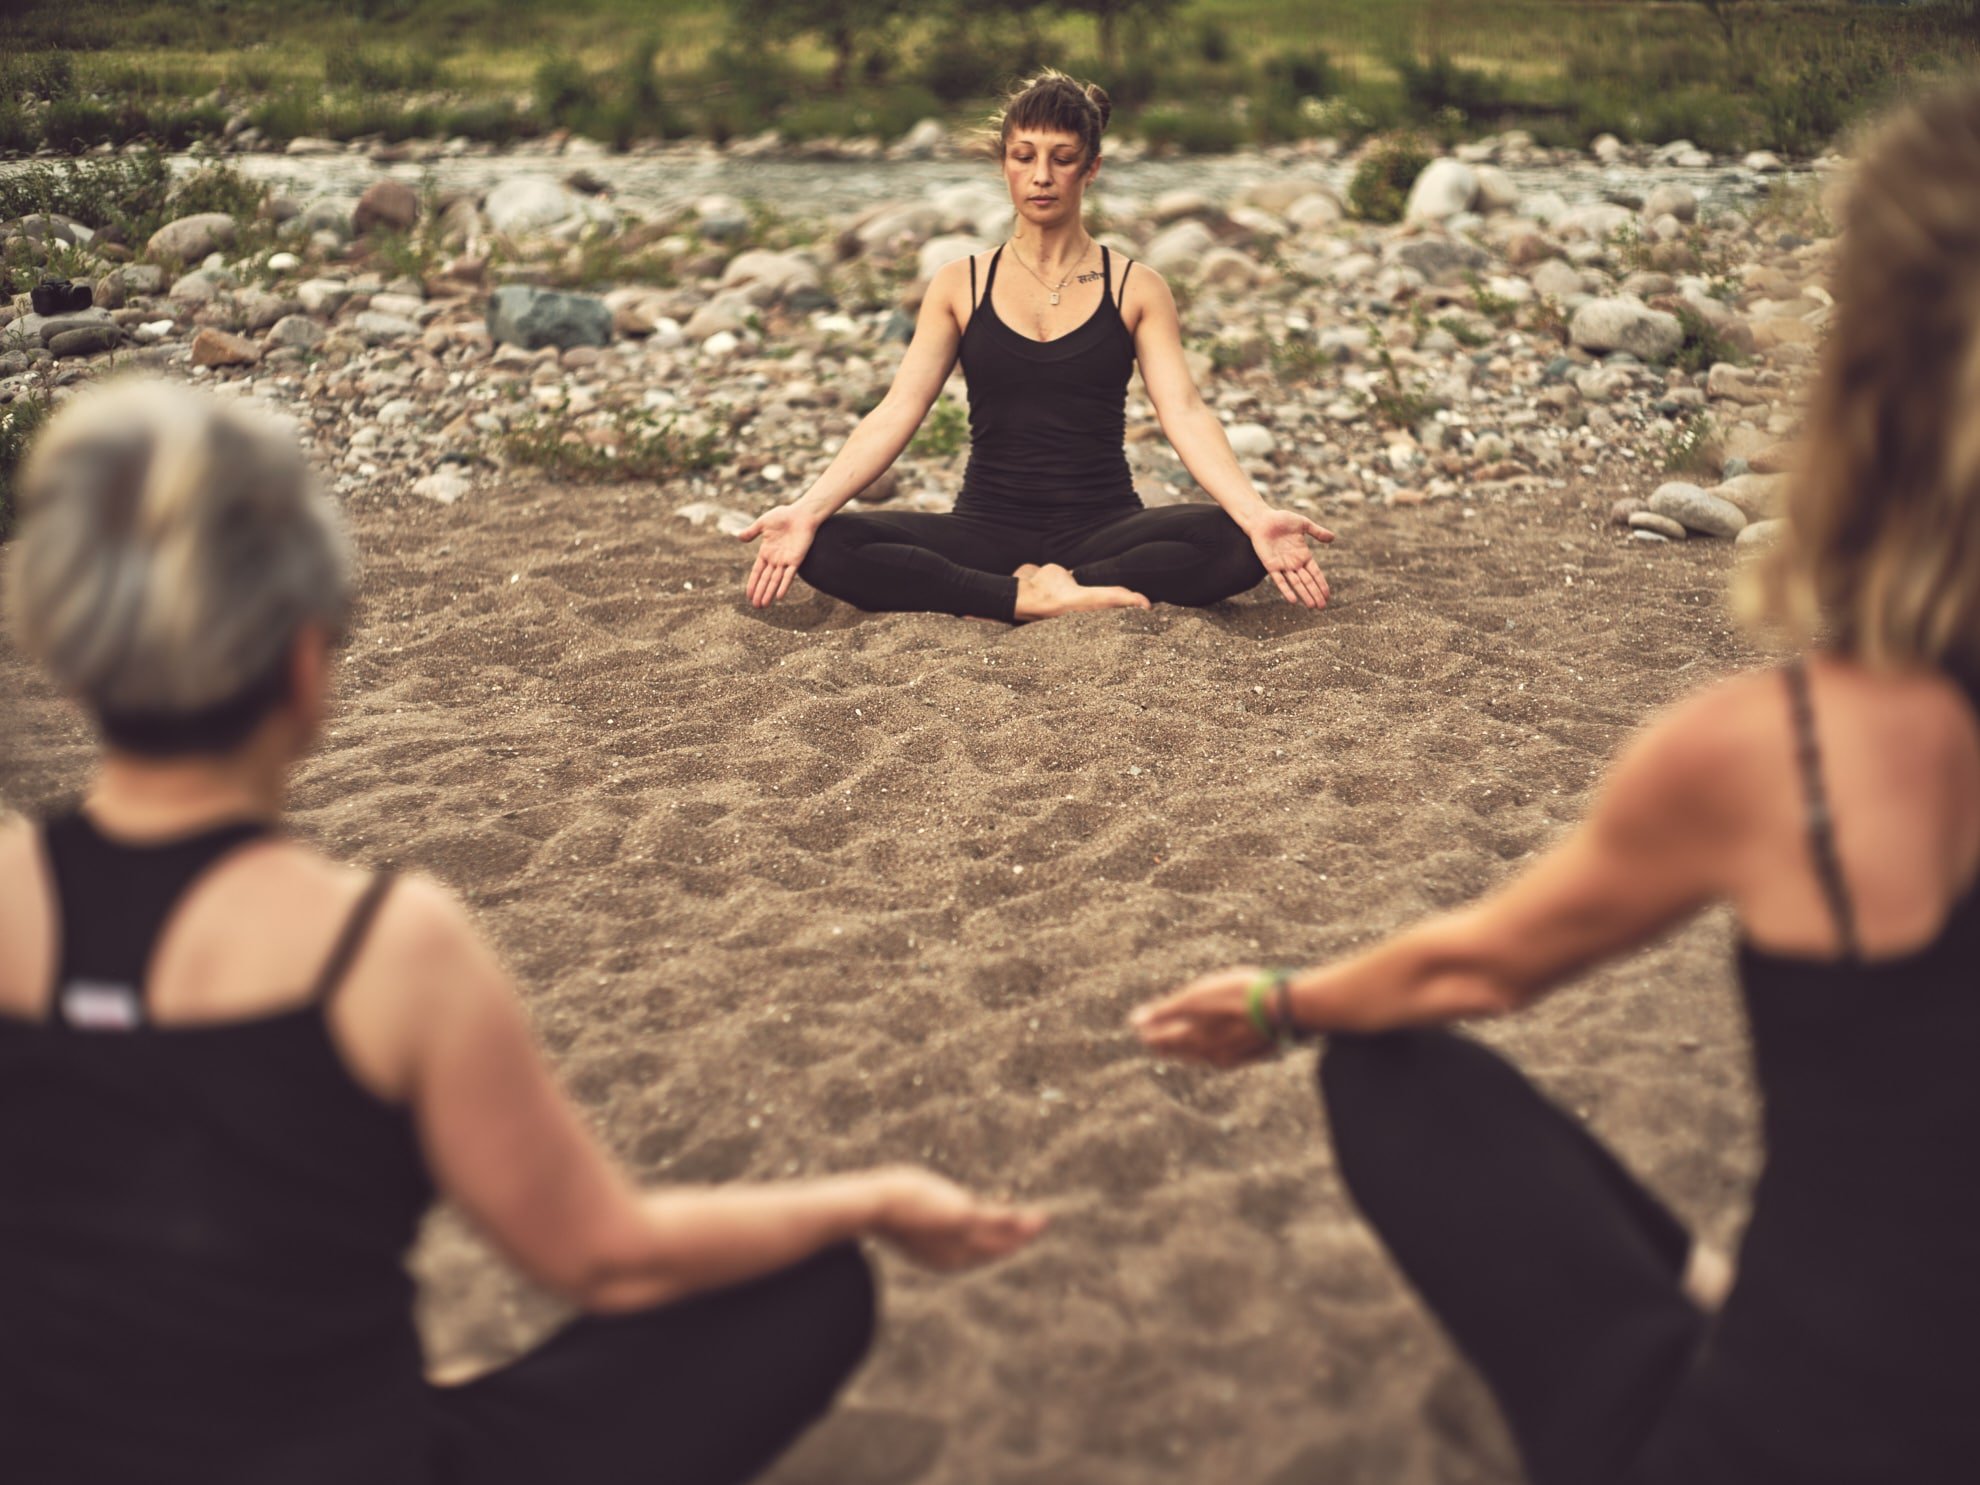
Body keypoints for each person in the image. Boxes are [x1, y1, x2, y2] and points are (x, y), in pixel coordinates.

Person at [1132, 86, 1980, 1485]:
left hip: (1770, 1436)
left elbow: (1472, 969)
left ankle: (1708, 1309)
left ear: (1866, 380)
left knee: (1391, 1078)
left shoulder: (1782, 749)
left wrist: (1282, 1002)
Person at [0, 379, 1046, 1485]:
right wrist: (875, 1199)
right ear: (307, 667)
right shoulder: (386, 945)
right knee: (817, 1284)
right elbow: (606, 1258)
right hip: (352, 1460)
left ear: (71, 663)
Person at [740, 69, 1334, 622]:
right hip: (985, 526)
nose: (1042, 176)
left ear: (1091, 168)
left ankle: (1049, 587)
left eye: (1063, 159)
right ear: (1004, 164)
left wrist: (1258, 515)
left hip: (1105, 525)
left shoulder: (1136, 287)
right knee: (827, 543)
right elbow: (899, 408)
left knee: (1237, 542)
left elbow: (1182, 411)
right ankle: (1031, 595)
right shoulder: (959, 283)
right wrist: (808, 507)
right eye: (1024, 157)